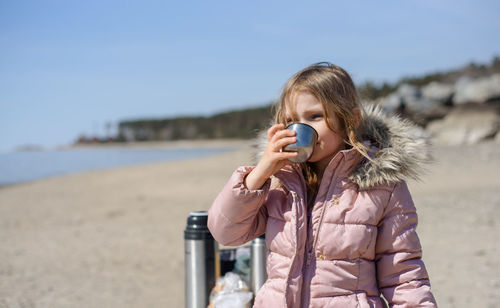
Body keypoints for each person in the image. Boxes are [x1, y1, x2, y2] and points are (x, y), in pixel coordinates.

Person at [208, 62, 437, 307]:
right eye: (291, 120)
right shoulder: (279, 182)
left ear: (350, 119)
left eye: (315, 116)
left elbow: (403, 275)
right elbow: (225, 232)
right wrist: (259, 175)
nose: (300, 129)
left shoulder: (384, 186)